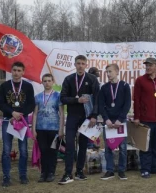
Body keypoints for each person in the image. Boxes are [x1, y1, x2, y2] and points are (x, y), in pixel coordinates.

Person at [58, 55, 100, 185]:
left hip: (86, 117)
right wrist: (77, 100)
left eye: (83, 63)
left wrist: (94, 116)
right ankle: (67, 173)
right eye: (78, 63)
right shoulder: (69, 79)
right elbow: (63, 98)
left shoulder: (92, 79)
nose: (80, 65)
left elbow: (97, 99)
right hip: (72, 116)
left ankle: (80, 171)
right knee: (70, 144)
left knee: (83, 145)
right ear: (75, 65)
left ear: (86, 65)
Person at [0, 61, 36, 187]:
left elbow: (31, 104)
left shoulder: (28, 87)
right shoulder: (4, 86)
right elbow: (1, 103)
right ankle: (6, 177)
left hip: (22, 121)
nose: (16, 73)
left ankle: (23, 175)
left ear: (23, 72)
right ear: (11, 71)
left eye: (19, 71)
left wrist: (20, 113)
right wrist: (12, 112)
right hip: (8, 120)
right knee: (6, 150)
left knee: (23, 149)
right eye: (14, 70)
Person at [98, 63, 132, 180]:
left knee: (122, 147)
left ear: (117, 72)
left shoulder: (124, 86)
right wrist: (106, 119)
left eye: (110, 71)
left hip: (120, 122)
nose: (108, 74)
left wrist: (120, 119)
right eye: (106, 72)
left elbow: (127, 104)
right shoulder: (104, 88)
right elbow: (101, 105)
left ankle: (121, 171)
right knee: (108, 147)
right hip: (108, 122)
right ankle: (110, 170)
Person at [32, 73, 64, 183]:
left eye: (49, 80)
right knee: (43, 151)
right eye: (45, 81)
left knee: (52, 151)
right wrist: (33, 129)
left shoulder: (57, 96)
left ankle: (51, 172)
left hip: (54, 129)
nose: (47, 83)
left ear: (53, 82)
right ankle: (43, 173)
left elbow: (61, 113)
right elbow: (35, 114)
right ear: (42, 82)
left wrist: (61, 129)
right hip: (41, 129)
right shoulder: (38, 97)